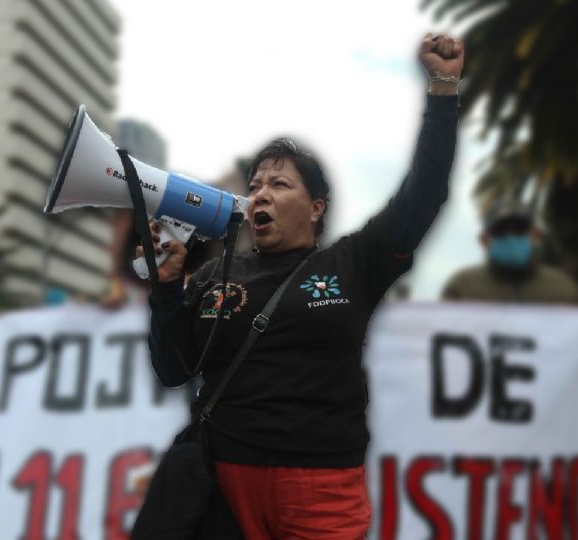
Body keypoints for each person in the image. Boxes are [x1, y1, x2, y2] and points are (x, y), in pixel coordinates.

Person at [141, 33, 463, 538]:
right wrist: (165, 291)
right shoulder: (215, 274)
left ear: (317, 208)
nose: (259, 196)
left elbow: (425, 193)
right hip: (221, 483)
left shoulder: (354, 261)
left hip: (320, 486)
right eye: (254, 187)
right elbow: (172, 371)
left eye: (279, 184)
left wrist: (443, 91)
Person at [441, 199, 578, 303]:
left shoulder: (563, 289)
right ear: (484, 240)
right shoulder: (462, 287)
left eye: (519, 230)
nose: (510, 238)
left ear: (536, 236)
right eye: (500, 232)